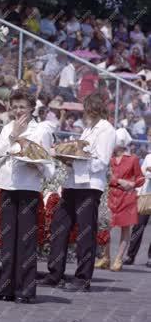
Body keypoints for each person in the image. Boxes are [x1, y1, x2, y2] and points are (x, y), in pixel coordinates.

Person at [39, 92, 117, 291]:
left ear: (97, 109)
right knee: (59, 227)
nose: (86, 113)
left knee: (85, 233)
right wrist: (66, 157)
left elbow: (101, 163)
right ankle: (55, 273)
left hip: (90, 186)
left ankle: (83, 279)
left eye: (89, 109)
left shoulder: (107, 130)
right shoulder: (88, 129)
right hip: (73, 183)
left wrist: (74, 159)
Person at [0, 90, 56, 304]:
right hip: (8, 186)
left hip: (28, 188)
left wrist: (35, 162)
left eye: (22, 106)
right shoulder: (8, 127)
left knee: (26, 241)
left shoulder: (41, 130)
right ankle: (5, 287)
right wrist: (12, 136)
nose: (18, 110)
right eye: (15, 106)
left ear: (31, 108)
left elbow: (49, 165)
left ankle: (25, 289)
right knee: (8, 240)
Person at [93, 128, 144, 271]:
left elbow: (140, 178)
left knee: (125, 228)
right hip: (111, 195)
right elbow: (106, 176)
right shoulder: (109, 160)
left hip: (127, 198)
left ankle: (118, 259)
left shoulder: (132, 159)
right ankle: (106, 257)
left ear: (120, 144)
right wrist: (120, 181)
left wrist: (133, 184)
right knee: (105, 227)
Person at [124, 151, 151, 266]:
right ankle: (130, 255)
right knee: (138, 226)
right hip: (145, 196)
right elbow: (141, 174)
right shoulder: (148, 157)